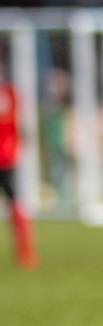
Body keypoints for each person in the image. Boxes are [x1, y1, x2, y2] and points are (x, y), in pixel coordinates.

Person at [0, 64, 38, 268]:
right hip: (7, 154)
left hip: (5, 157)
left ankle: (25, 250)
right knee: (13, 198)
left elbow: (16, 122)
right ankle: (25, 251)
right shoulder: (10, 92)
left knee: (13, 198)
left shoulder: (10, 92)